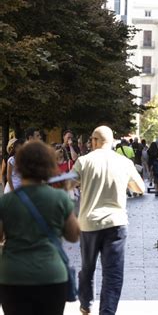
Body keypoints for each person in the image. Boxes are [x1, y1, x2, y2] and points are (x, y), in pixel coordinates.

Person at [0, 141, 80, 315]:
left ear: (19, 166)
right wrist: (67, 196)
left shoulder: (5, 202)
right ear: (49, 165)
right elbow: (74, 235)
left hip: (13, 276)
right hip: (51, 275)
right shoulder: (59, 198)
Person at [72, 126, 145, 315]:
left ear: (95, 141)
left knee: (87, 268)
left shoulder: (84, 161)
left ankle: (86, 304)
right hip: (116, 223)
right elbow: (140, 188)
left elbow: (68, 184)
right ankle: (107, 311)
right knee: (113, 273)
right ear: (111, 141)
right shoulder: (124, 162)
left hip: (88, 223)